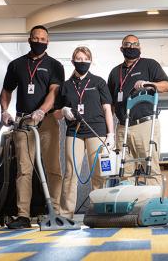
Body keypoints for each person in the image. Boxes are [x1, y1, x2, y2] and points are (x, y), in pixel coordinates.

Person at [0, 25, 65, 229]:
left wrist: (42, 111)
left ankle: (54, 212)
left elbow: (54, 92)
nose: (39, 41)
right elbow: (6, 90)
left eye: (43, 39)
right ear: (29, 40)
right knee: (23, 170)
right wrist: (4, 110)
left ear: (48, 41)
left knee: (53, 168)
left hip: (46, 123)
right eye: (35, 38)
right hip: (22, 123)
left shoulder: (55, 65)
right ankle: (23, 215)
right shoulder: (16, 65)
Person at [55, 46, 114, 219]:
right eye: (78, 59)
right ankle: (66, 214)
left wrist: (110, 135)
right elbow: (56, 114)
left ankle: (99, 212)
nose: (82, 62)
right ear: (72, 61)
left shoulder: (98, 82)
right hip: (74, 132)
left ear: (90, 61)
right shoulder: (65, 86)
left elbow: (107, 109)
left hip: (97, 131)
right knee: (71, 173)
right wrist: (64, 110)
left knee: (99, 174)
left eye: (85, 59)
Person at [107, 34, 168, 185]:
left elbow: (166, 86)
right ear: (121, 48)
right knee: (124, 171)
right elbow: (110, 103)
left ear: (140, 47)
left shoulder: (150, 64)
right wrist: (109, 131)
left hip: (145, 125)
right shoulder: (115, 72)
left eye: (135, 44)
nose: (132, 47)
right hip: (123, 126)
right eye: (128, 44)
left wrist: (149, 84)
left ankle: (152, 206)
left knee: (150, 168)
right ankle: (129, 206)